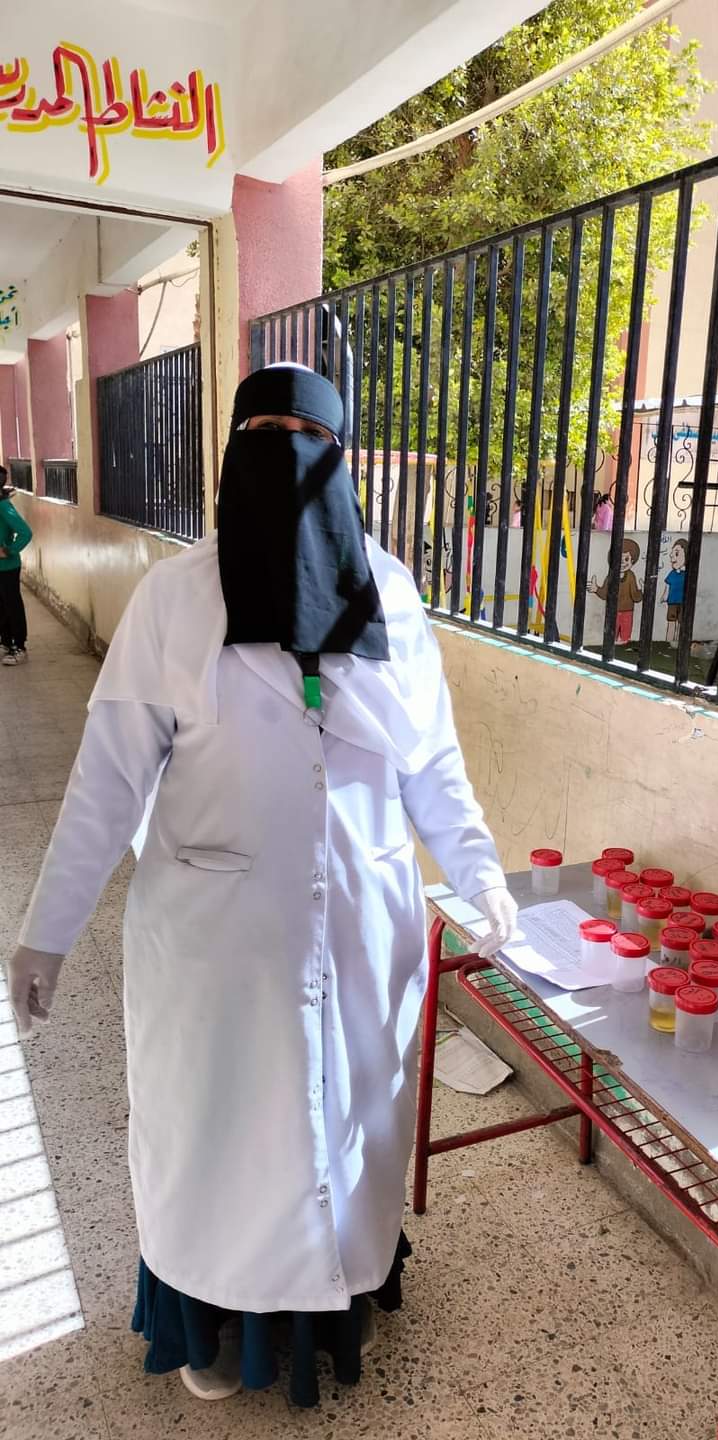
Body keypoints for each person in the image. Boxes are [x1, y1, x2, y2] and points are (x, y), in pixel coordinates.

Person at [4, 365, 518, 1407]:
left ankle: (335, 1304)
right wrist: (46, 930)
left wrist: (480, 874)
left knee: (351, 1125)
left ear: (343, 458)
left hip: (361, 923)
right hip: (215, 941)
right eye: (264, 431)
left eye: (306, 434)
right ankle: (208, 1325)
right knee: (220, 1141)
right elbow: (107, 782)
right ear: (230, 451)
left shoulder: (390, 593)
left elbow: (432, 765)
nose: (285, 451)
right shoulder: (175, 599)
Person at [0, 468, 32, 664]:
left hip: (8, 567)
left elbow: (25, 532)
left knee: (12, 606)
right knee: (2, 606)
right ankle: (5, 642)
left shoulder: (3, 506)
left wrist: (9, 550)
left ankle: (19, 647)